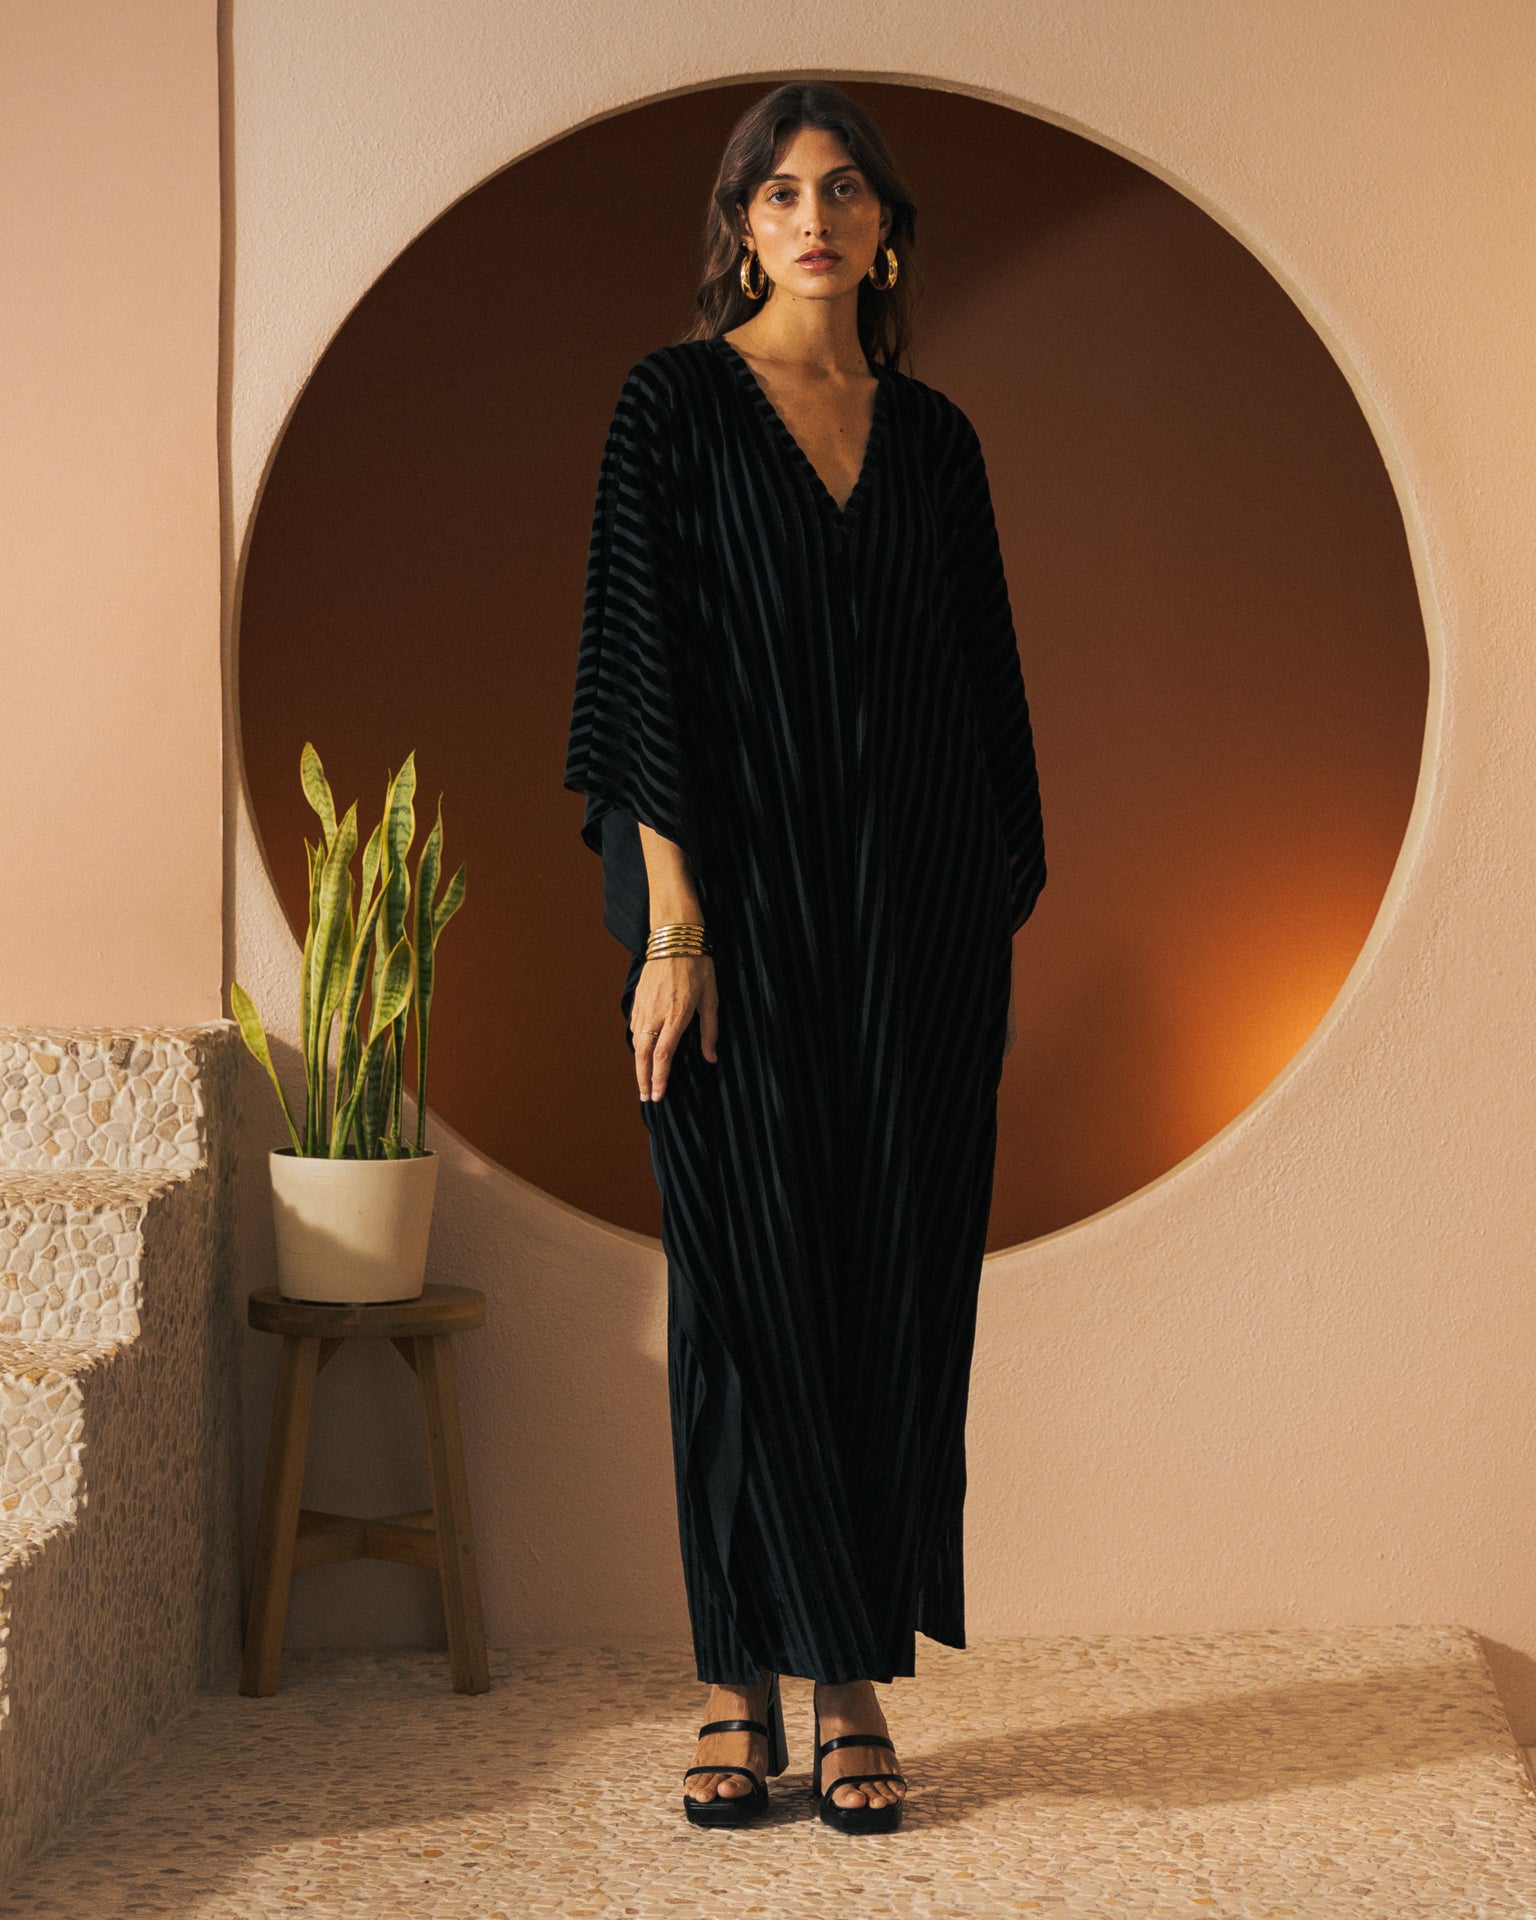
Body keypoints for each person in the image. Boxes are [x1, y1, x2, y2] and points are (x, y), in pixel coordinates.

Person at [563, 80, 1047, 1834]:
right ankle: (729, 1682)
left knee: (884, 1292)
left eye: (843, 188)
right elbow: (641, 682)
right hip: (734, 933)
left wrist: (970, 928)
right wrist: (672, 931)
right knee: (747, 1291)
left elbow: (980, 703)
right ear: (740, 229)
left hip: (911, 938)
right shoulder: (674, 409)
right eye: (778, 193)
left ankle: (849, 1684)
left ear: (887, 224)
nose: (814, 216)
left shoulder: (937, 442)